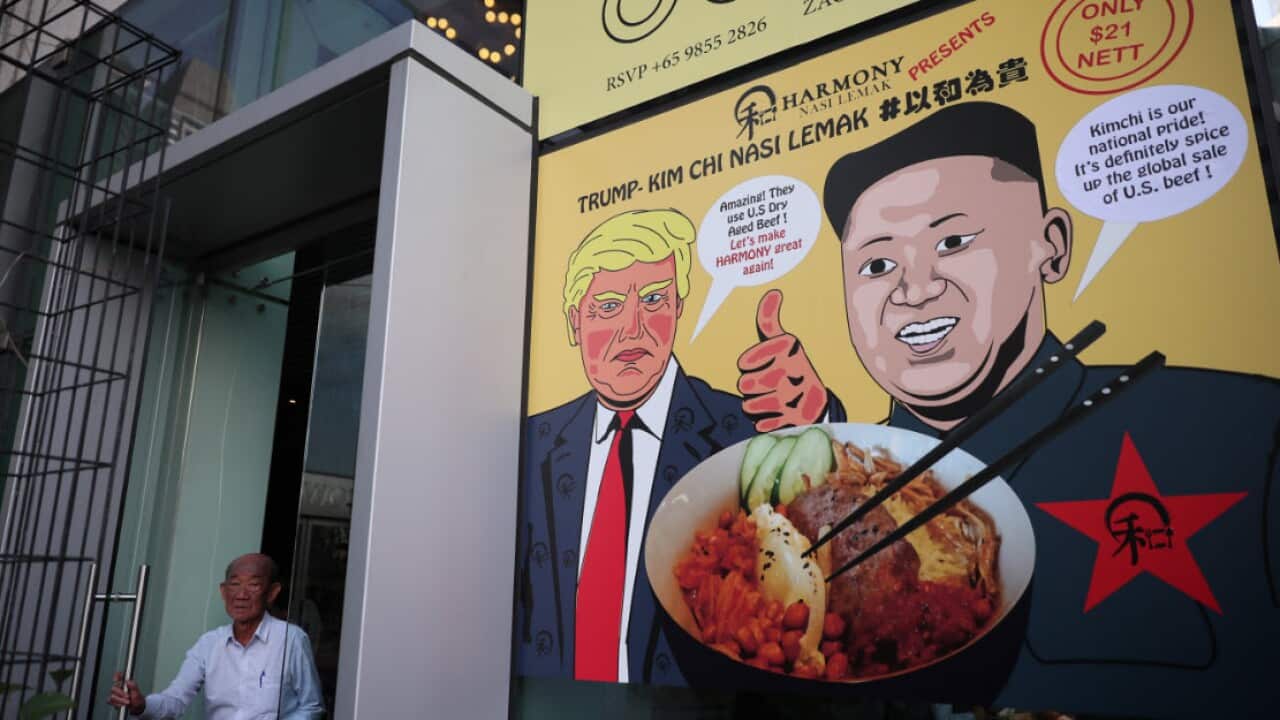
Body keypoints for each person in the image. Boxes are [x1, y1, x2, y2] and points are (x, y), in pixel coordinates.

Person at [741, 101, 1280, 716]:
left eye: (955, 240)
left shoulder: (1242, 428)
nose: (914, 290)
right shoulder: (842, 479)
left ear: (1049, 247)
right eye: (878, 264)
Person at [515, 209, 843, 686]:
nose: (633, 327)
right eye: (607, 306)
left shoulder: (742, 427)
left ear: (679, 308)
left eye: (654, 299)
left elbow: (845, 512)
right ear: (573, 322)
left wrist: (818, 422)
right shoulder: (531, 441)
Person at [108, 554, 324, 719]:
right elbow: (175, 700)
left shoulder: (290, 639)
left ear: (272, 592)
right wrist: (141, 705)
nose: (241, 594)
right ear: (223, 591)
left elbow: (312, 706)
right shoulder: (209, 644)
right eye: (235, 584)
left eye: (254, 584)